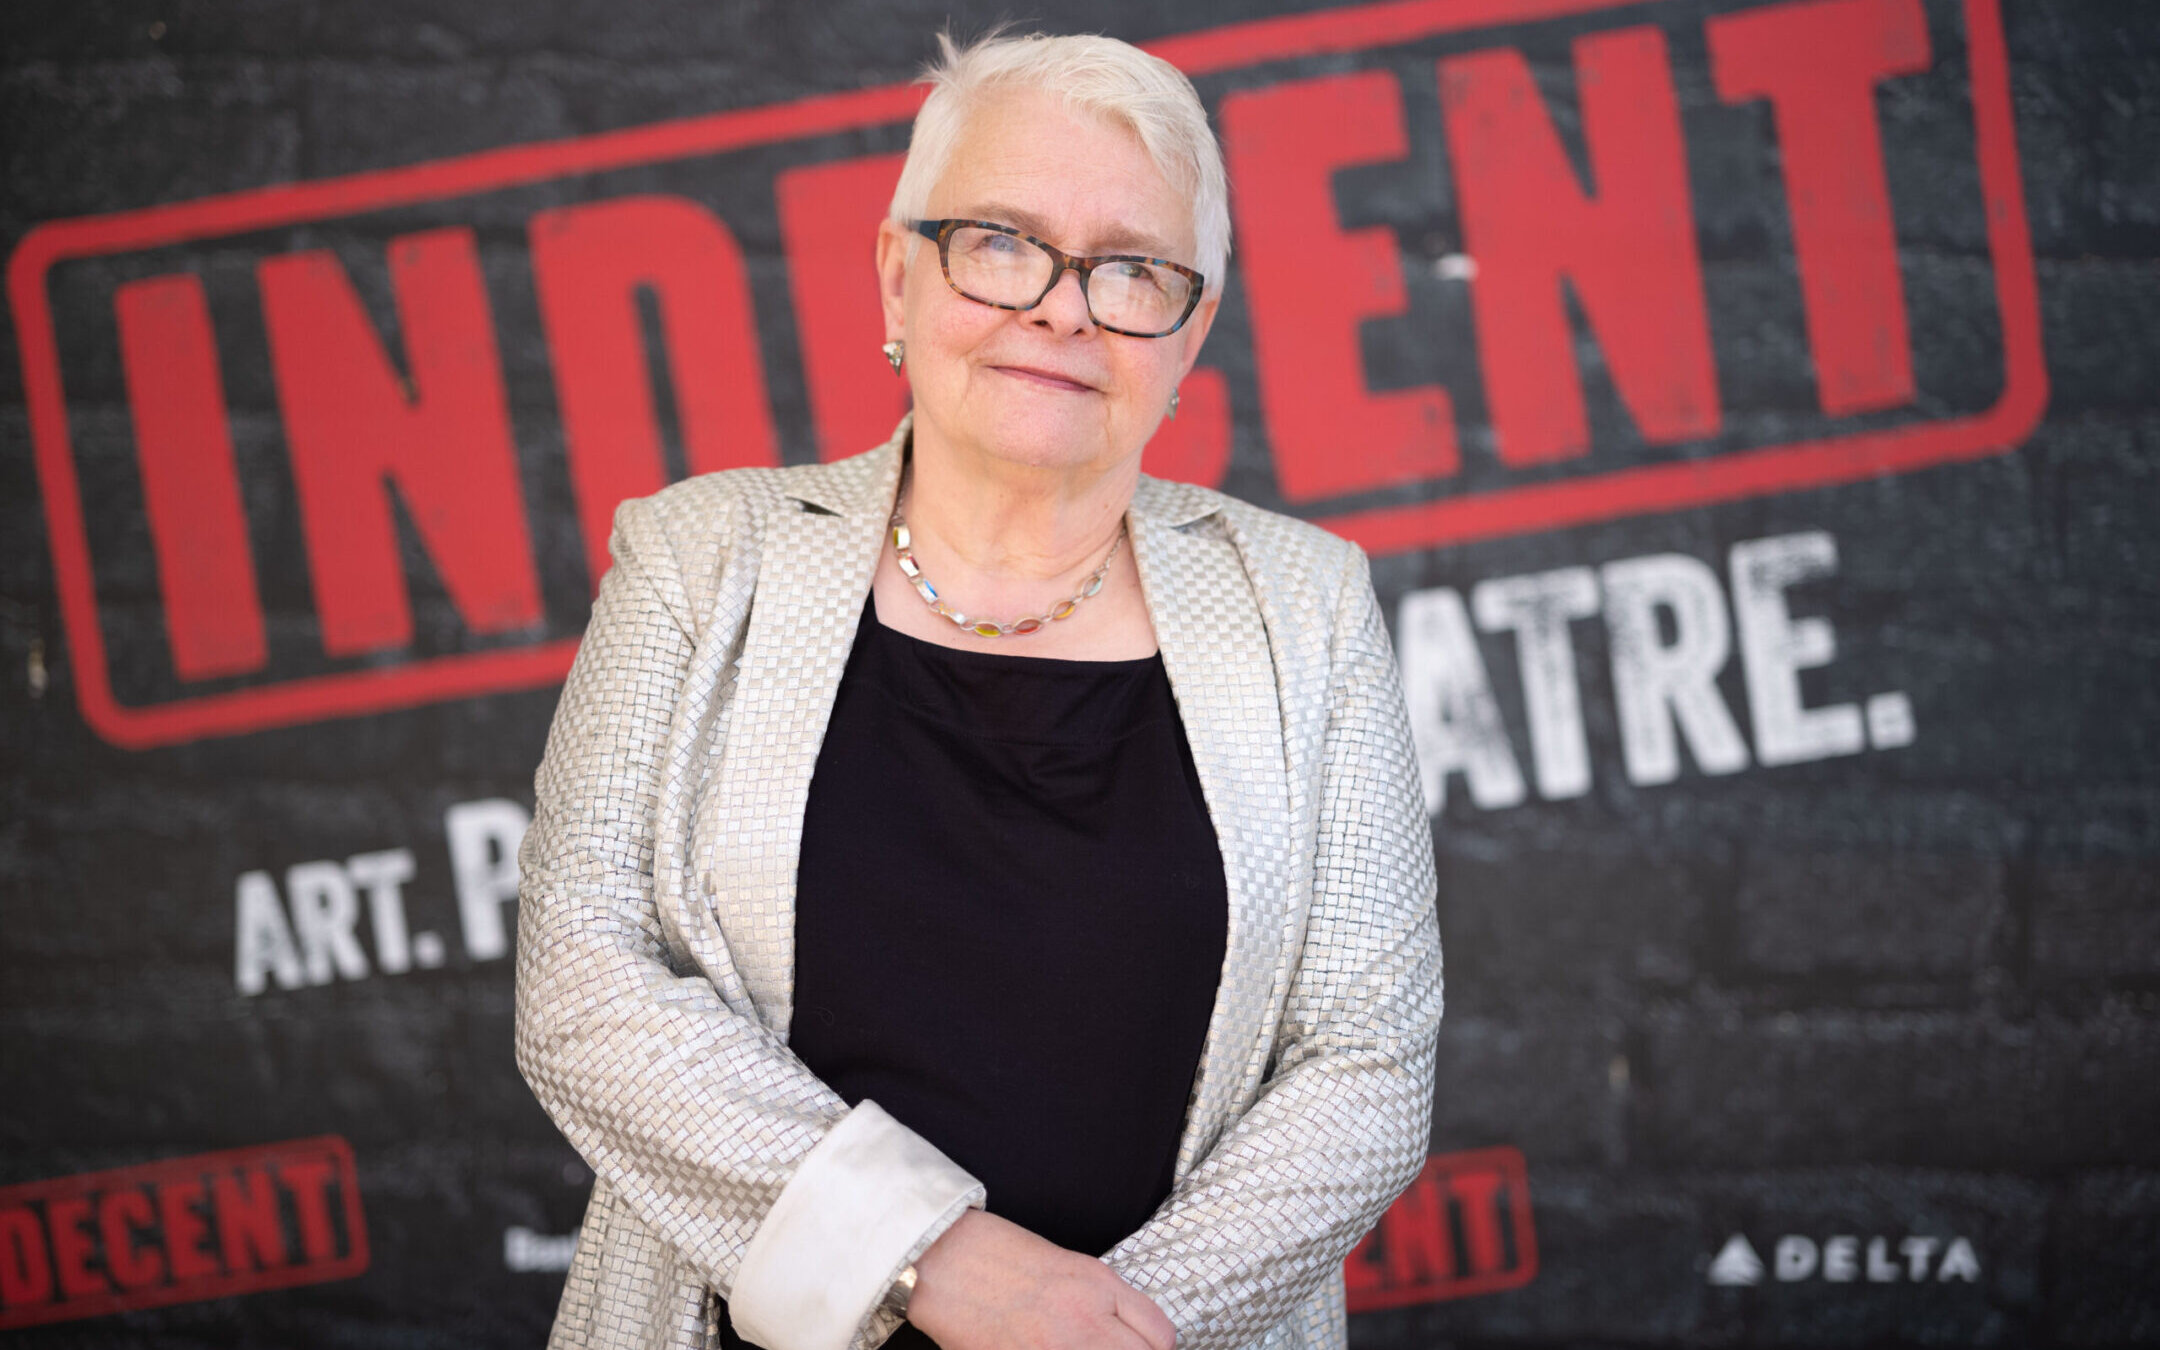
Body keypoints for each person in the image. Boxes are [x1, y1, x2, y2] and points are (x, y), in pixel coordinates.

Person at [514, 28, 1442, 1350]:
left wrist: (1104, 1330)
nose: (1062, 307)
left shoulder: (1307, 607)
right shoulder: (700, 561)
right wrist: (927, 1258)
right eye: (1002, 242)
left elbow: (1369, 1067)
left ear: (1191, 331)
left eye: (1131, 267)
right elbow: (583, 989)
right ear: (899, 275)